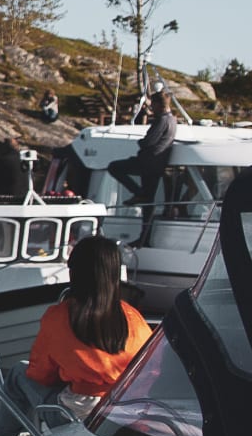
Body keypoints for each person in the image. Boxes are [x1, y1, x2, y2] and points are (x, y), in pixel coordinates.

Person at [26, 234, 152, 414]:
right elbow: (149, 372)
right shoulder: (135, 320)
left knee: (18, 375)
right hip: (122, 410)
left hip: (77, 413)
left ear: (74, 272)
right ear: (114, 274)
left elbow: (40, 374)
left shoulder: (58, 316)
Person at [108, 92, 176, 243]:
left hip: (148, 163)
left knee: (114, 167)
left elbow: (148, 142)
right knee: (149, 203)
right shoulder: (173, 120)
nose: (152, 107)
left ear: (159, 104)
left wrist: (141, 143)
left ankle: (138, 193)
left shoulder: (162, 121)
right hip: (158, 165)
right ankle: (145, 237)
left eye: (153, 104)